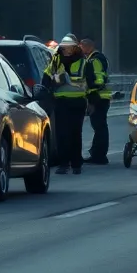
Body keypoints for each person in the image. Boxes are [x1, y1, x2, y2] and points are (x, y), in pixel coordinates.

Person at [42, 34, 88, 174]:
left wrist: (62, 78)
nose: (66, 50)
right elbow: (46, 76)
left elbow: (87, 80)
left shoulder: (83, 62)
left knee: (75, 134)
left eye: (69, 48)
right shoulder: (56, 61)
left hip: (78, 102)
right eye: (64, 48)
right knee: (62, 134)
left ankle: (76, 164)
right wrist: (46, 88)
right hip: (61, 101)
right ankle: (64, 164)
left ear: (75, 48)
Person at [80, 37, 112, 165]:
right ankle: (97, 153)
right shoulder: (98, 58)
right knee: (100, 127)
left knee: (99, 127)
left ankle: (99, 156)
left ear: (87, 46)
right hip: (101, 97)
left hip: (98, 97)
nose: (80, 50)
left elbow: (99, 78)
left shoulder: (95, 59)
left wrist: (92, 90)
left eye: (81, 47)